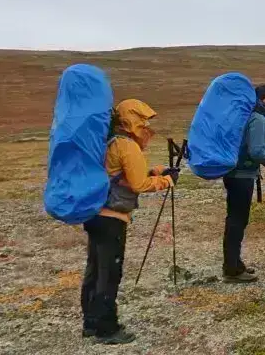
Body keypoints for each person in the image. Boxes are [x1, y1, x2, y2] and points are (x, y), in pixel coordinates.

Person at [81, 99, 175, 345]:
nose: (146, 126)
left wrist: (154, 171)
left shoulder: (109, 142)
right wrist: (164, 181)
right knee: (110, 273)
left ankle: (90, 322)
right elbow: (139, 185)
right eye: (142, 121)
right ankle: (107, 328)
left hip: (94, 213)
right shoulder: (127, 146)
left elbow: (121, 175)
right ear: (130, 121)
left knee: (94, 269)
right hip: (112, 217)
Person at [222, 83, 265, 283]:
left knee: (235, 219)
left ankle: (234, 264)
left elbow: (253, 146)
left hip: (234, 172)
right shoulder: (258, 118)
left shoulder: (249, 115)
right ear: (264, 99)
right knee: (237, 221)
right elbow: (256, 153)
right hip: (242, 175)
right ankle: (232, 269)